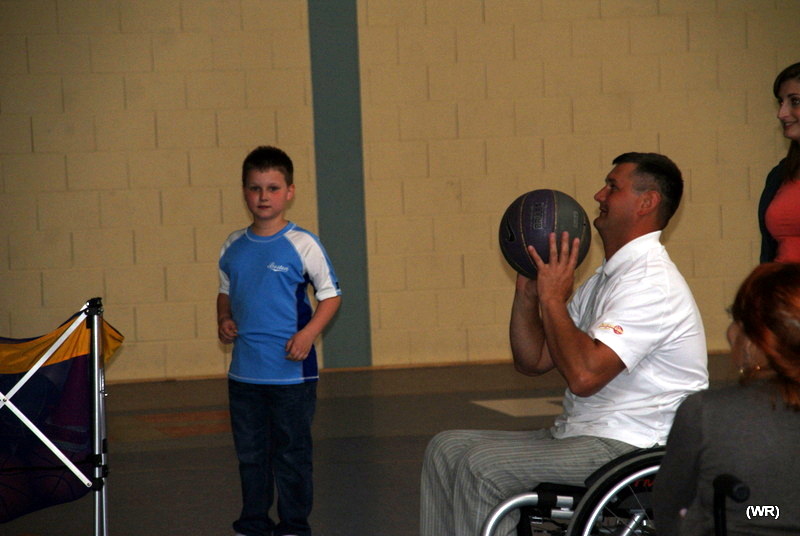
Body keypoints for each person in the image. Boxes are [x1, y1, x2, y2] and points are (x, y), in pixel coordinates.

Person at [419, 152, 708, 536]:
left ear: (647, 202)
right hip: (586, 434)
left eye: (612, 187)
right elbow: (534, 359)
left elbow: (584, 377)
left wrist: (553, 299)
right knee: (445, 450)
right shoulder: (605, 279)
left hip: (632, 447)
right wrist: (529, 294)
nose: (599, 195)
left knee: (482, 466)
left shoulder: (651, 283)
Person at [217, 145, 341, 536]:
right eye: (255, 188)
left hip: (291, 376)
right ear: (244, 192)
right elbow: (225, 290)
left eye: (272, 188)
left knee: (291, 455)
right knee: (251, 456)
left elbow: (331, 295)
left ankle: (293, 525)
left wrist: (308, 334)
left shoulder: (303, 244)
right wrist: (224, 318)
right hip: (245, 376)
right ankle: (253, 522)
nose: (263, 196)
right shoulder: (233, 245)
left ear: (289, 192)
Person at [653, 262, 800, 535]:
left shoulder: (705, 413)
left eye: (735, 319)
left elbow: (668, 508)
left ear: (755, 338)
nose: (730, 332)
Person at [759, 62, 800, 262]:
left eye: (795, 101)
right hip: (782, 281)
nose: (781, 113)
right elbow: (768, 251)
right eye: (781, 102)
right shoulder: (780, 174)